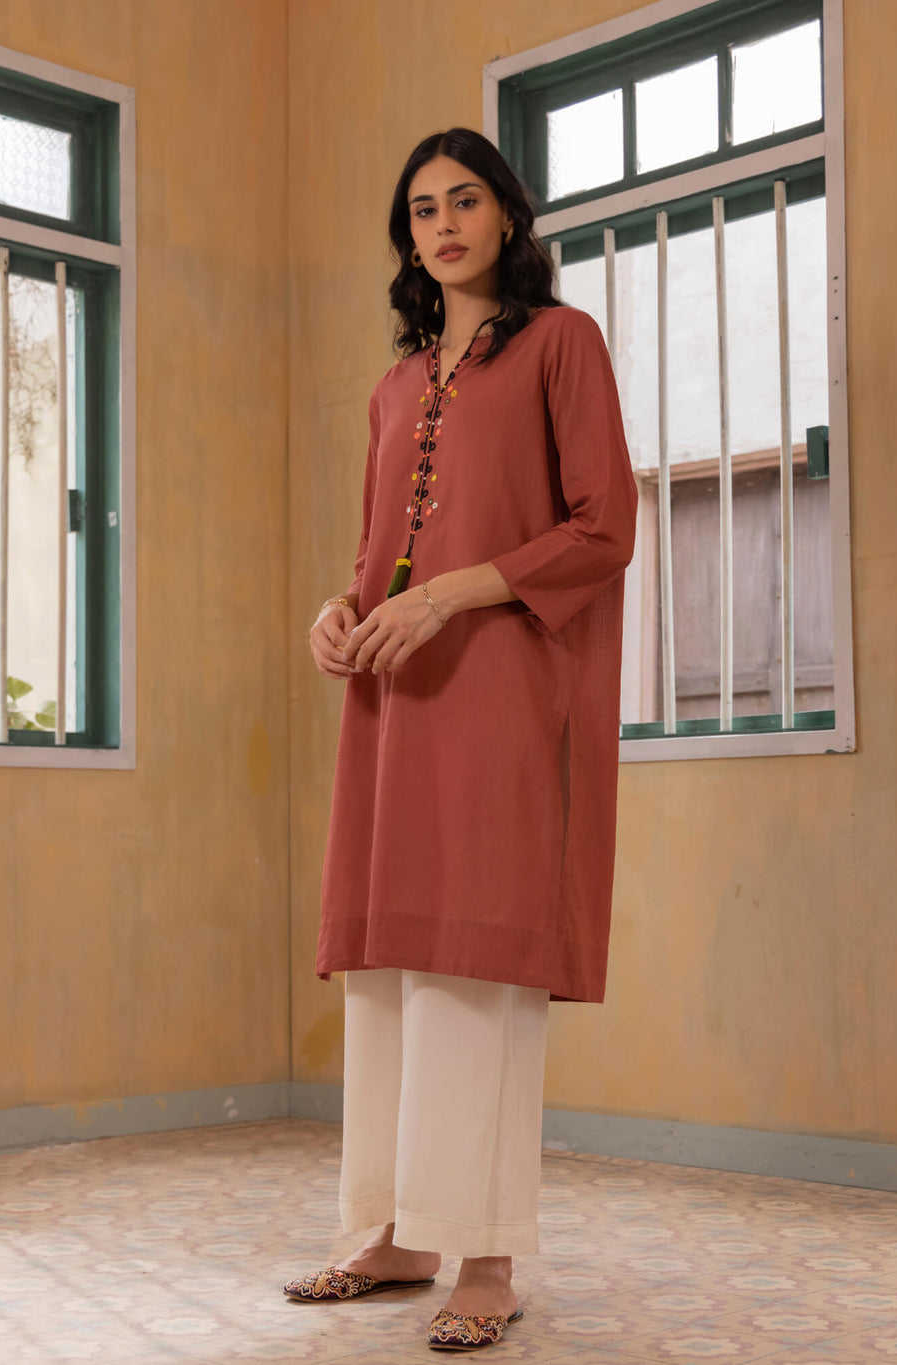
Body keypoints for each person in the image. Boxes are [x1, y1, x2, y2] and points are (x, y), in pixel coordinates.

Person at [283, 127, 638, 1352]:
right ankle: (394, 1234)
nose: (443, 224)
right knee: (391, 969)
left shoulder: (560, 344)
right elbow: (380, 546)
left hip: (500, 690)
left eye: (465, 200)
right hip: (395, 699)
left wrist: (447, 596)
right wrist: (340, 611)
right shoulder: (396, 387)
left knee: (473, 969)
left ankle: (484, 1257)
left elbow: (603, 527)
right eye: (422, 208)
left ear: (508, 217)